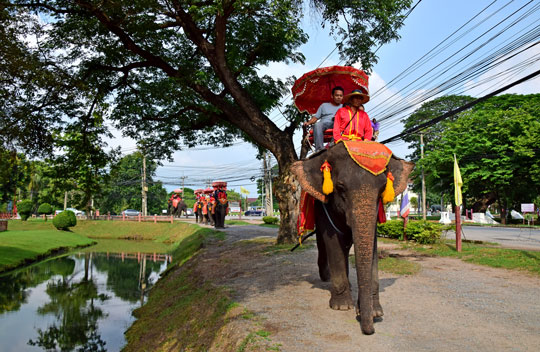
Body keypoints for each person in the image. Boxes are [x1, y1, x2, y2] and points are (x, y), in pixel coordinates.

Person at [303, 86, 344, 151]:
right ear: (332, 96)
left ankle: (333, 145)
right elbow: (315, 118)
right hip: (324, 123)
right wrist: (308, 123)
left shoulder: (344, 107)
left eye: (341, 96)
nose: (339, 97)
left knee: (341, 125)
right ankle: (319, 149)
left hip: (338, 124)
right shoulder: (324, 105)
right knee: (317, 125)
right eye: (337, 95)